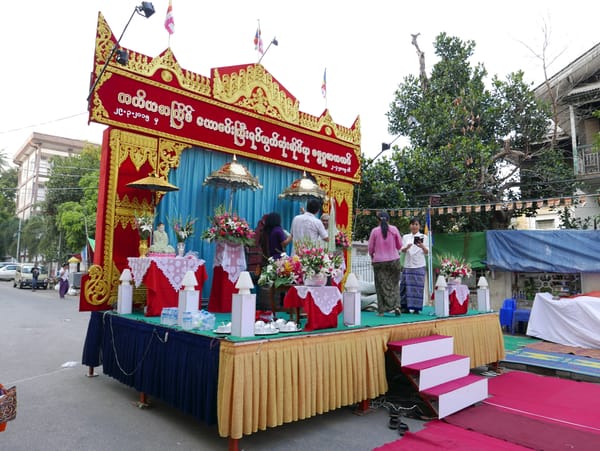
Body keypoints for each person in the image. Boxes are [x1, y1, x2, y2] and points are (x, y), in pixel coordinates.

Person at [368, 211, 403, 316]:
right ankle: (396, 306)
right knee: (394, 285)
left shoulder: (375, 231)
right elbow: (399, 246)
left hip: (379, 262)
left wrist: (372, 256)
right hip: (394, 261)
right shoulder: (394, 229)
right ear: (389, 220)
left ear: (377, 220)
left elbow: (370, 248)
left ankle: (381, 311)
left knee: (380, 286)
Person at [400, 217, 429, 314]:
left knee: (418, 287)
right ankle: (405, 307)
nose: (414, 226)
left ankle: (416, 308)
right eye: (412, 224)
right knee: (405, 286)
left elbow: (427, 252)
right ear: (410, 225)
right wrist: (406, 247)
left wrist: (422, 246)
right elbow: (402, 250)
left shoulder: (424, 237)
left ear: (419, 226)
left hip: (419, 264)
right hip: (408, 265)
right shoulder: (405, 237)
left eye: (416, 224)